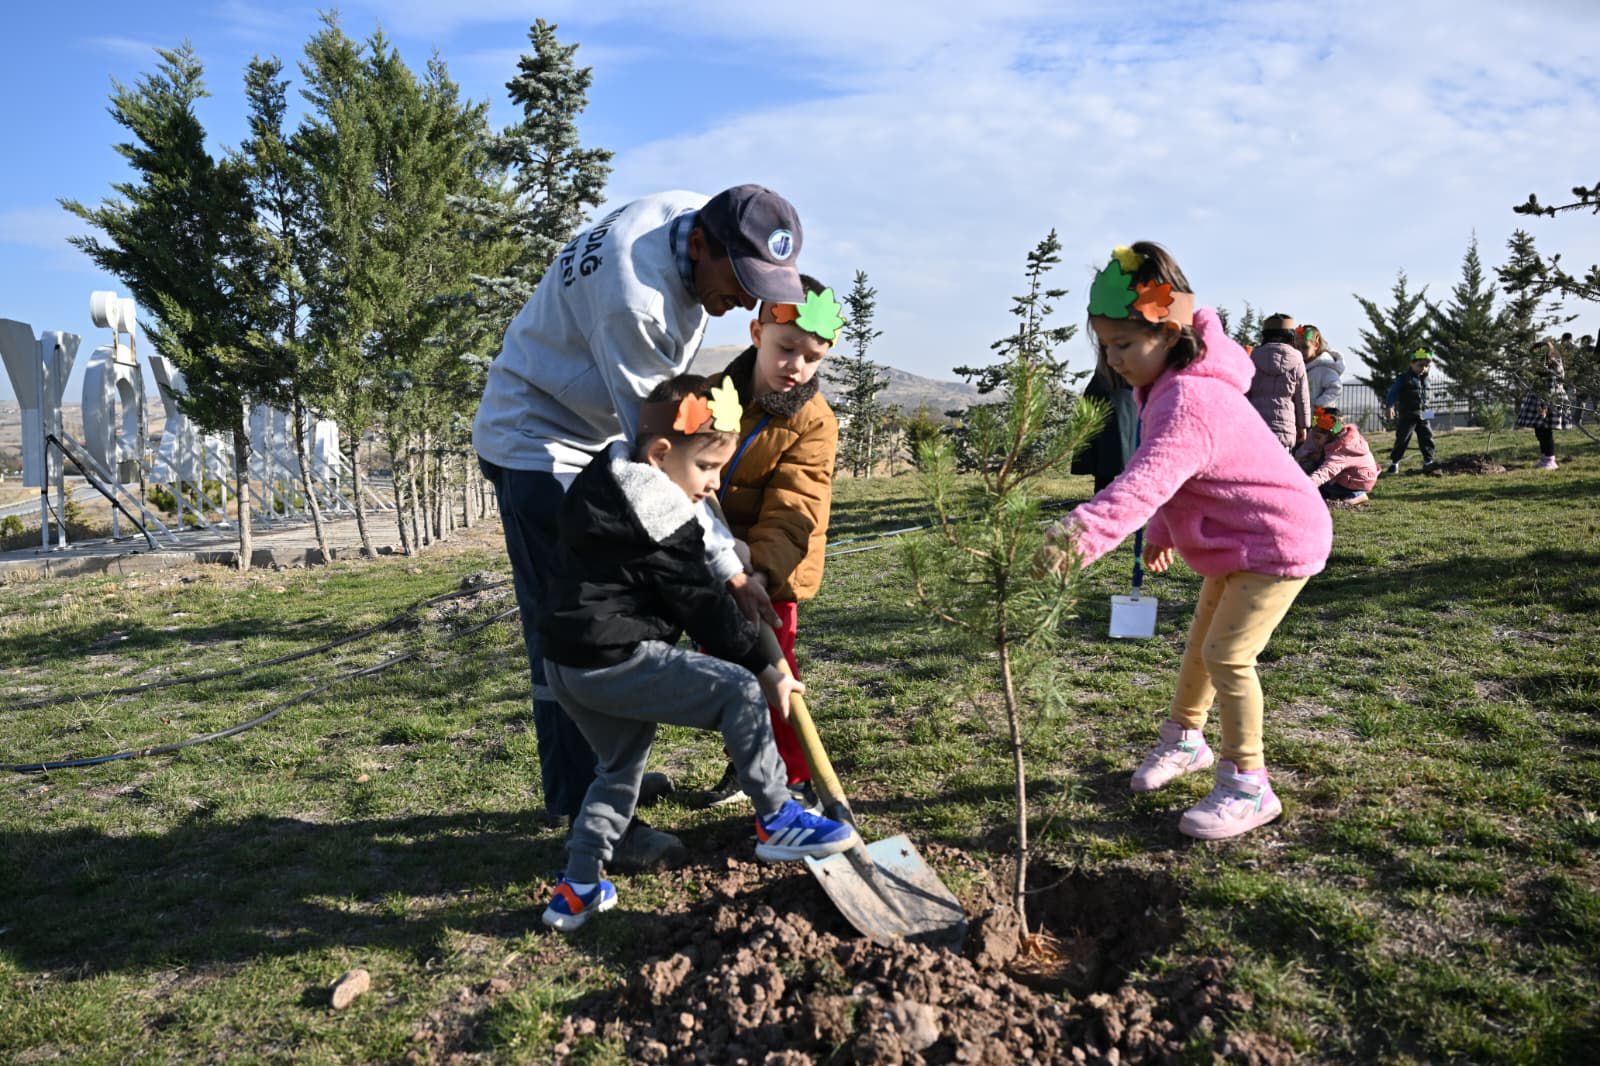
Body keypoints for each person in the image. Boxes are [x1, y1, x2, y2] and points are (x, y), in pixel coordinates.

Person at [472, 185, 806, 869]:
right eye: (739, 282)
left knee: (617, 623)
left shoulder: (686, 212)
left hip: (592, 438)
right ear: (702, 245)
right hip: (539, 445)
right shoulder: (637, 303)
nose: (745, 301)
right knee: (577, 636)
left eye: (760, 287)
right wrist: (730, 572)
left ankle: (607, 776)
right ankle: (588, 812)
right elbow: (667, 472)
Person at [537, 375, 857, 932]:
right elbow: (700, 602)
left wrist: (731, 562)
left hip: (566, 665)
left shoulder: (608, 481)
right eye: (708, 468)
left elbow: (695, 559)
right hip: (614, 658)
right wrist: (764, 668)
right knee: (737, 691)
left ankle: (578, 886)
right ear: (661, 455)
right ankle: (778, 818)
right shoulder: (659, 515)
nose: (714, 485)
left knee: (617, 772)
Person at [1046, 243, 1331, 841]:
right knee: (1201, 644)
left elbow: (1144, 481)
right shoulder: (1169, 387)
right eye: (1106, 346)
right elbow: (1185, 478)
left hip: (1276, 541)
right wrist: (1163, 530)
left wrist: (1078, 538)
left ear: (1171, 332)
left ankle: (1248, 784)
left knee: (1228, 655)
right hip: (1238, 536)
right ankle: (1185, 741)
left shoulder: (1187, 399)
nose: (1114, 360)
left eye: (1125, 345)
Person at [701, 277, 842, 808]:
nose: (796, 367)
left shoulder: (814, 420)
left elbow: (794, 507)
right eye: (786, 349)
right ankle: (747, 763)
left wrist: (758, 572)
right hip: (715, 557)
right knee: (727, 664)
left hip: (774, 568)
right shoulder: (715, 392)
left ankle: (798, 778)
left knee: (773, 667)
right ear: (757, 332)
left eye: (812, 357)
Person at [1245, 313, 1312, 448]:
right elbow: (1302, 396)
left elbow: (1246, 392)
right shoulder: (1297, 358)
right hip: (1285, 428)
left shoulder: (1254, 356)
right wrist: (1303, 426)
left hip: (1256, 426)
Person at [1293, 407, 1378, 505]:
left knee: (1325, 482)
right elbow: (1304, 454)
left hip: (1359, 480)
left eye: (1317, 437)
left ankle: (1356, 495)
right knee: (1310, 464)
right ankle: (1335, 492)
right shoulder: (1335, 437)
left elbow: (1327, 471)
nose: (1314, 439)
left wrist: (1303, 487)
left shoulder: (1342, 448)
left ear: (1330, 435)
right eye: (1313, 433)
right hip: (1352, 475)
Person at [1072, 367, 1138, 493]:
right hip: (1116, 395)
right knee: (1111, 455)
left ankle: (1107, 495)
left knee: (1110, 456)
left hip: (1112, 394)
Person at [1515, 339, 1569, 470]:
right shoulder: (1546, 365)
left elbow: (1550, 389)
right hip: (1540, 399)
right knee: (1539, 431)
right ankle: (1545, 457)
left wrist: (1544, 407)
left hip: (1547, 401)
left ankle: (1550, 460)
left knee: (1545, 432)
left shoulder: (1551, 366)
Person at [1383, 349, 1439, 475]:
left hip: (1424, 414)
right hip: (1408, 415)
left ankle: (1428, 461)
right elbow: (1393, 393)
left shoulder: (1426, 380)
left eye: (1426, 366)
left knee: (1427, 437)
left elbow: (1427, 397)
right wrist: (1389, 406)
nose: (1423, 368)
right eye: (1420, 365)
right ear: (1412, 364)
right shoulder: (1403, 379)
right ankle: (1395, 463)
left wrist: (1430, 412)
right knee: (1402, 439)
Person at [1297, 324, 1345, 415]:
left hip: (1318, 417)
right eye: (1297, 348)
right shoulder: (1301, 367)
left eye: (1305, 347)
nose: (1300, 351)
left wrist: (1319, 404)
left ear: (1316, 345)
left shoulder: (1325, 367)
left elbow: (1336, 387)